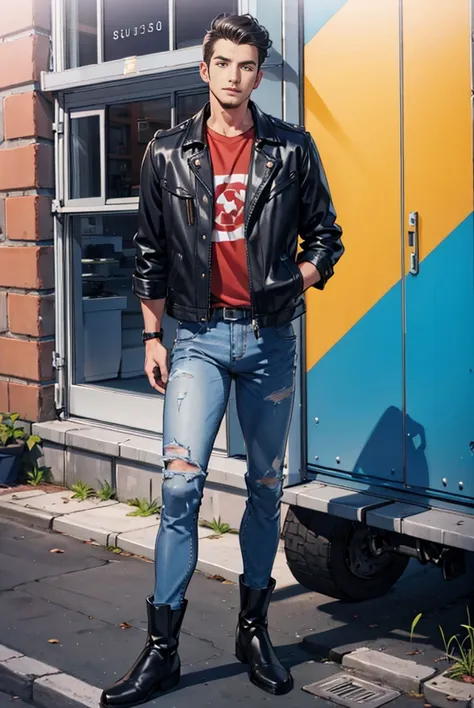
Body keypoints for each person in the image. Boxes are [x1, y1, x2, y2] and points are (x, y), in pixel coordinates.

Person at [100, 13, 343, 708]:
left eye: (247, 66)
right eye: (223, 63)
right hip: (199, 339)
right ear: (204, 71)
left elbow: (328, 236)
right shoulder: (167, 152)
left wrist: (297, 278)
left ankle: (252, 630)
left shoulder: (291, 150)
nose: (234, 76)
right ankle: (162, 650)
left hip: (269, 340)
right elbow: (149, 248)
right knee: (180, 488)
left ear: (257, 76)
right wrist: (153, 336)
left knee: (266, 489)